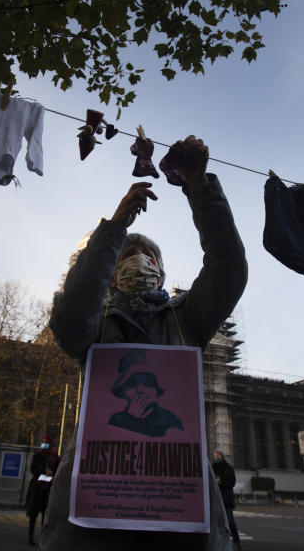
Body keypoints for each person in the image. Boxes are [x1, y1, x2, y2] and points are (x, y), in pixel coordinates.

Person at [43, 135, 248, 550]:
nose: (140, 261)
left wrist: (199, 187)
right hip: (94, 521)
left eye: (149, 256)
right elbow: (70, 312)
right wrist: (115, 229)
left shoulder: (185, 317)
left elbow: (228, 268)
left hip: (177, 521)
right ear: (111, 273)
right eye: (127, 256)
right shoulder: (92, 324)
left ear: (161, 270)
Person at [107, 349, 183, 437]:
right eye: (132, 384)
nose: (140, 390)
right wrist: (130, 418)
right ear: (123, 392)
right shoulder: (115, 420)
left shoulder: (170, 421)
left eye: (147, 382)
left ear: (156, 390)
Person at [26, 435, 60, 545]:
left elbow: (57, 471)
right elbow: (33, 469)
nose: (44, 444)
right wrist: (43, 472)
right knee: (33, 513)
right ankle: (30, 536)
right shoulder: (37, 455)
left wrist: (51, 474)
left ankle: (43, 537)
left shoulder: (55, 458)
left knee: (45, 514)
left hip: (48, 489)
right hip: (37, 487)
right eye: (43, 442)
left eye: (46, 443)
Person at [211, 450, 241, 551]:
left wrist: (221, 482)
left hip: (226, 499)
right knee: (215, 522)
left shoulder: (229, 468)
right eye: (215, 455)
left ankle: (237, 541)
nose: (216, 457)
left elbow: (232, 482)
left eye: (218, 455)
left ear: (222, 456)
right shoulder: (212, 468)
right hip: (215, 499)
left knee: (230, 521)